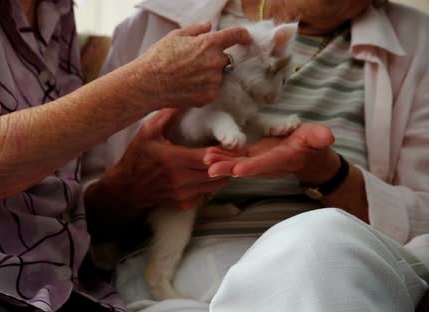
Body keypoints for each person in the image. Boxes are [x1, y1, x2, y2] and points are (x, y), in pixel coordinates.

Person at [0, 0, 252, 311]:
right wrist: (146, 83)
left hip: (38, 279)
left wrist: (128, 187)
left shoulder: (54, 11)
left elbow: (45, 200)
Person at [81, 0, 429, 311]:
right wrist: (134, 185)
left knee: (320, 244)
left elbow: (424, 219)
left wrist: (329, 172)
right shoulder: (159, 17)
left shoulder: (417, 39)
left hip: (324, 264)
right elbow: (80, 219)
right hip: (183, 262)